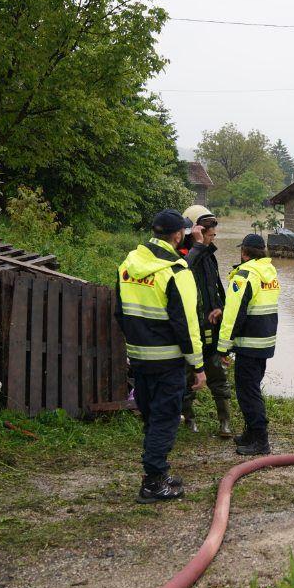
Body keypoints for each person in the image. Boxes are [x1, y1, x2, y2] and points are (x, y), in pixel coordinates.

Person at [114, 209, 207, 503]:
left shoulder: (128, 265)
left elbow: (120, 312)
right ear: (178, 235)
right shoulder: (177, 272)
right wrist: (199, 366)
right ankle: (153, 481)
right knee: (165, 419)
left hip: (139, 358)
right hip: (168, 361)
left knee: (152, 416)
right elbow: (187, 324)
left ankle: (158, 472)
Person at [217, 233, 280, 456]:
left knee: (248, 392)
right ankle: (251, 434)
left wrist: (223, 347)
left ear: (244, 253)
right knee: (251, 388)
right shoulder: (269, 273)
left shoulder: (245, 275)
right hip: (264, 342)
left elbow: (233, 316)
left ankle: (260, 439)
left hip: (248, 344)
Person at [178, 205, 232, 437]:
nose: (213, 237)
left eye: (213, 234)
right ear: (195, 230)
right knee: (188, 378)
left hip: (211, 327)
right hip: (190, 329)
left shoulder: (210, 257)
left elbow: (216, 289)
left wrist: (220, 307)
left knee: (218, 377)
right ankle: (189, 420)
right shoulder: (181, 256)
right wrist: (198, 245)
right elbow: (181, 274)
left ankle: (225, 423)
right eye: (208, 233)